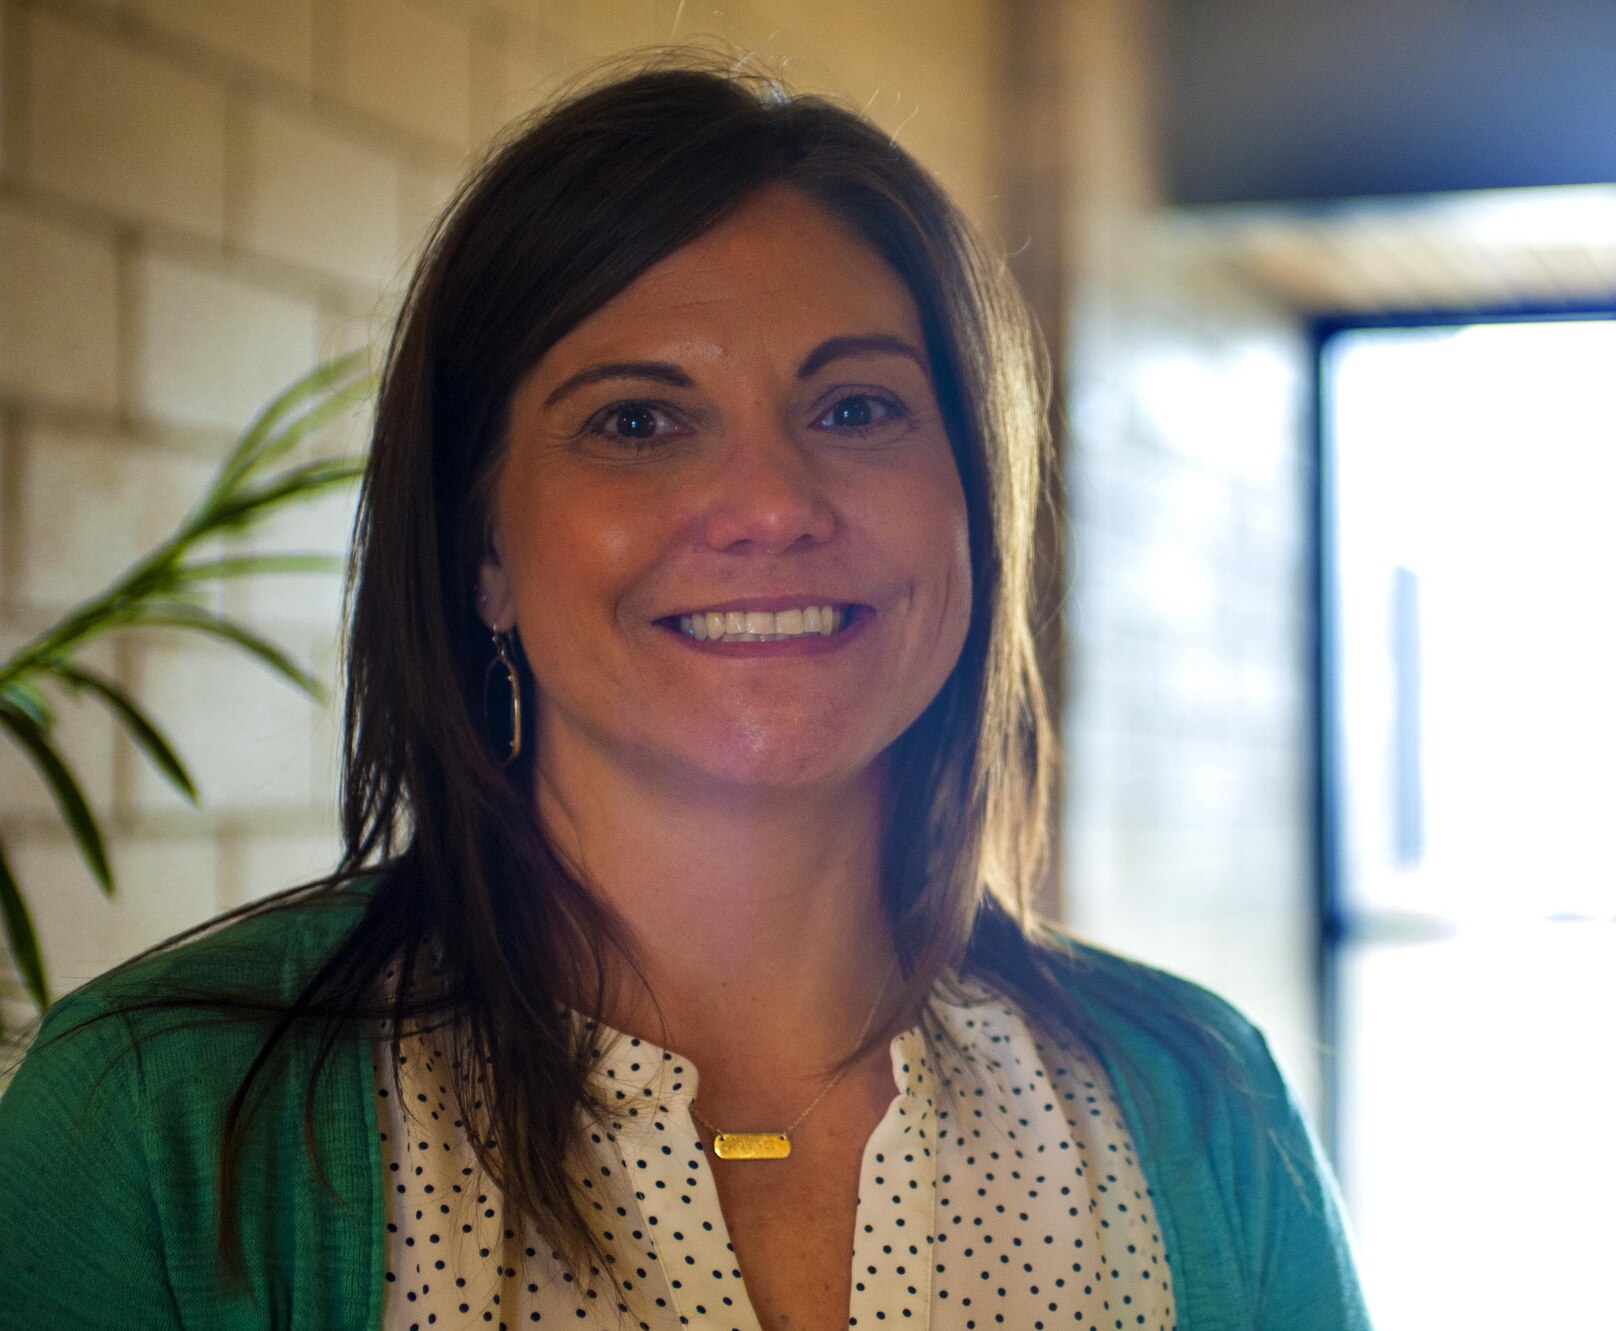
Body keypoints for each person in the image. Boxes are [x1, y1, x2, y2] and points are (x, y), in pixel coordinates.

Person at [0, 60, 1371, 1331]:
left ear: (974, 502)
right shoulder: (161, 1125)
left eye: (856, 410)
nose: (771, 506)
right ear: (483, 551)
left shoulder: (1206, 1108)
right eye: (637, 422)